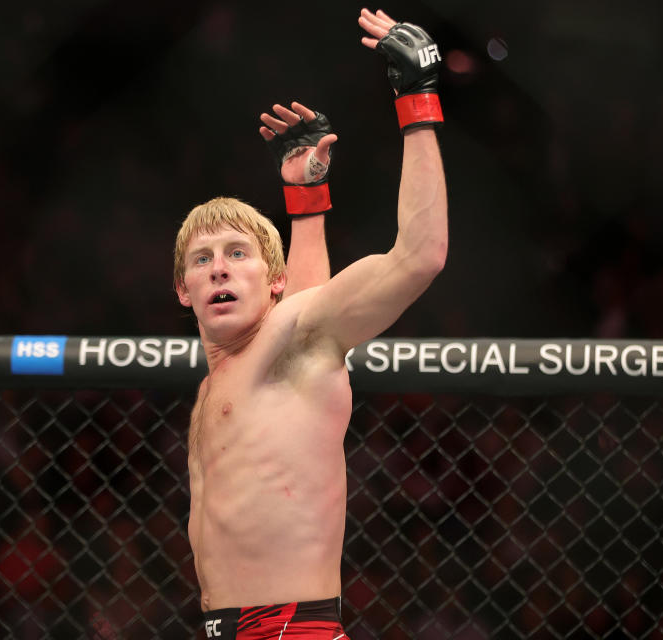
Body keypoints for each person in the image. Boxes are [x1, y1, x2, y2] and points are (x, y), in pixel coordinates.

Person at [173, 8, 447, 639]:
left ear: (271, 283)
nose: (218, 270)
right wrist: (305, 200)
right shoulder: (240, 373)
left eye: (237, 254)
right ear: (182, 290)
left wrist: (417, 100)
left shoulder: (292, 338)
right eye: (202, 260)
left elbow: (420, 254)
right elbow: (301, 298)